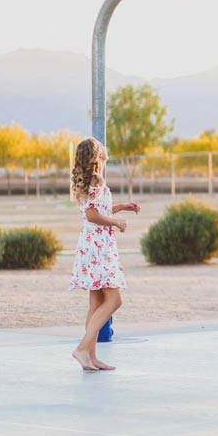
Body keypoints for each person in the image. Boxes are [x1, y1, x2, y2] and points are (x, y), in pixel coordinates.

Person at [68, 138, 138, 371]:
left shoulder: (90, 180)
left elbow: (99, 209)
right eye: (100, 152)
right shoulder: (96, 179)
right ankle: (82, 348)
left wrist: (122, 207)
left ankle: (90, 356)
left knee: (96, 302)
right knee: (114, 300)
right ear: (95, 156)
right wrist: (116, 222)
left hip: (92, 245)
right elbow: (92, 216)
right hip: (98, 246)